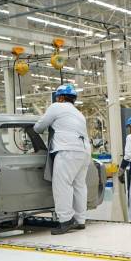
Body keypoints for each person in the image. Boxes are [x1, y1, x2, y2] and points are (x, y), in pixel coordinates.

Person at [34, 84, 91, 235]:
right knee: (79, 185)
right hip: (84, 151)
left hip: (67, 150)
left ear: (59, 97)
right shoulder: (79, 114)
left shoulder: (56, 107)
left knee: (62, 185)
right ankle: (80, 220)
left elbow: (38, 128)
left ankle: (65, 220)